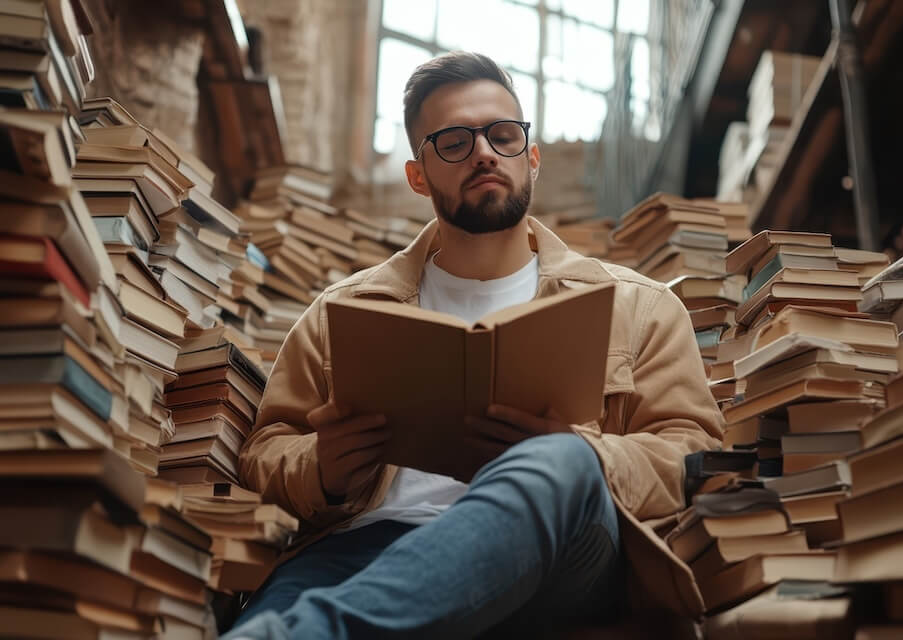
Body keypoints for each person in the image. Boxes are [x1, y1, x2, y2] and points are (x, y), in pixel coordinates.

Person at [225, 52, 723, 640]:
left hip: (561, 559)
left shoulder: (637, 306)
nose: (485, 152)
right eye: (455, 142)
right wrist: (323, 470)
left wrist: (582, 452)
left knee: (561, 462)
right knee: (270, 610)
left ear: (531, 159)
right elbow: (263, 454)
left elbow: (692, 453)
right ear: (418, 175)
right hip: (366, 548)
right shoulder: (344, 312)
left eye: (503, 136)